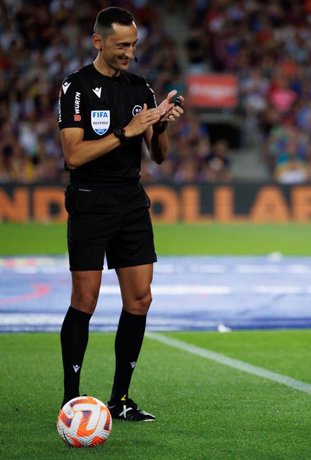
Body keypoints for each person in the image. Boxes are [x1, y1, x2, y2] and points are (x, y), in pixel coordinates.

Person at [57, 6, 185, 421]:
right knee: (85, 299)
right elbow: (74, 155)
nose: (129, 52)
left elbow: (159, 157)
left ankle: (120, 399)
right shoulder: (75, 88)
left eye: (133, 44)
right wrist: (124, 132)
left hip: (131, 200)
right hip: (91, 199)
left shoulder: (140, 88)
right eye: (121, 45)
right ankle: (71, 399)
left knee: (140, 299)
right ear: (99, 42)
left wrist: (160, 125)